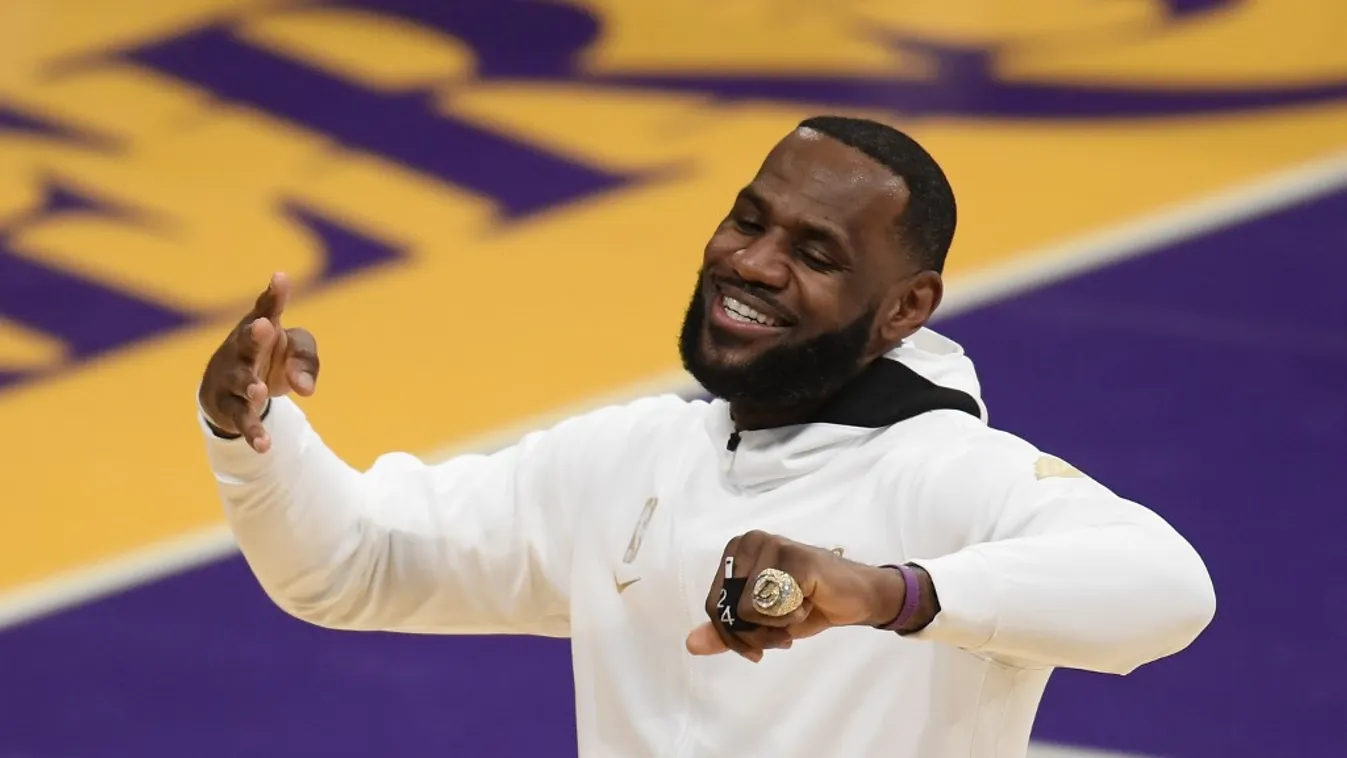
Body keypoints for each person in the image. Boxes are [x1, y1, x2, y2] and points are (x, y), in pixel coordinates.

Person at [196, 115, 1215, 757]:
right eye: (749, 220)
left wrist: (889, 590)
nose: (756, 263)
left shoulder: (951, 475)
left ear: (907, 306)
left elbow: (1168, 590)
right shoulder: (631, 457)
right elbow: (354, 561)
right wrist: (253, 432)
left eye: (815, 252)